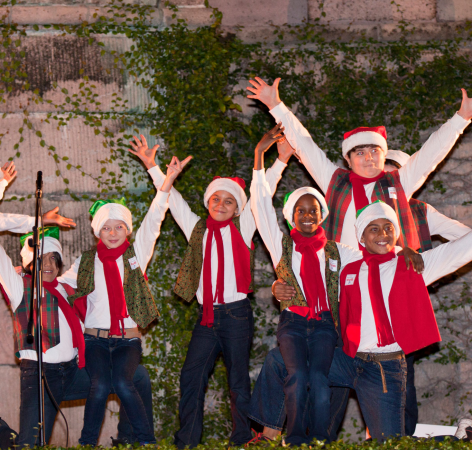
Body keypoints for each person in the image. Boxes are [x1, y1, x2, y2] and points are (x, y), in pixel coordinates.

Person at [127, 129, 292, 448]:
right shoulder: (197, 229)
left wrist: (280, 161)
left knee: (238, 383)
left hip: (236, 316)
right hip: (206, 319)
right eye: (216, 198)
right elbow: (173, 201)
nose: (221, 204)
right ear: (207, 201)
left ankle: (241, 438)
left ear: (237, 208)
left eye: (229, 200)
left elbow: (262, 193)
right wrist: (154, 168)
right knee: (191, 378)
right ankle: (186, 441)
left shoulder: (243, 229)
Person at [246, 77, 472, 250]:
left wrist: (460, 119)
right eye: (360, 152)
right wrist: (276, 106)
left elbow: (430, 154)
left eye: (375, 150)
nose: (369, 157)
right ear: (348, 159)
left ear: (383, 155)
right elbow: (305, 146)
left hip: (390, 275)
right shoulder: (335, 181)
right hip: (345, 280)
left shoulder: (399, 182)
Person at [60, 157, 185, 446]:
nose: (113, 233)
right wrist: (31, 275)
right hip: (95, 341)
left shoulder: (136, 255)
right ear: (97, 232)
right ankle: (87, 443)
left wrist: (166, 182)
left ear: (127, 230)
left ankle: (146, 441)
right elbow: (60, 284)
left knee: (124, 384)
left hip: (127, 341)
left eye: (118, 227)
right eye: (106, 228)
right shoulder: (86, 260)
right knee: (100, 385)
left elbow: (154, 219)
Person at [250, 130, 364, 445]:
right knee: (297, 376)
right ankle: (295, 436)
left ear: (321, 215)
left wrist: (403, 250)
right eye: (301, 210)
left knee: (319, 377)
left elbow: (374, 255)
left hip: (326, 324)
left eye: (313, 210)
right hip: (294, 323)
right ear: (291, 216)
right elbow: (260, 205)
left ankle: (321, 438)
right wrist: (261, 155)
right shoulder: (281, 245)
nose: (308, 215)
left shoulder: (336, 249)